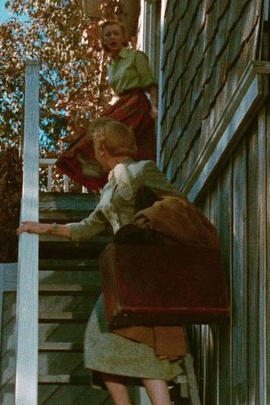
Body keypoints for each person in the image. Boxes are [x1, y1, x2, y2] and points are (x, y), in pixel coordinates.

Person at [18, 117, 182, 405]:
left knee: (146, 343)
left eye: (95, 146)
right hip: (122, 271)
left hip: (147, 267)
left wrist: (146, 223)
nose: (94, 153)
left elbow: (177, 205)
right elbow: (88, 227)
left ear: (104, 148)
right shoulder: (109, 188)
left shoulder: (143, 170)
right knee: (98, 343)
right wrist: (44, 228)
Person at [55, 20, 158, 191]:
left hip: (136, 104)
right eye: (108, 35)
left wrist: (154, 107)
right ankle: (96, 165)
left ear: (123, 37)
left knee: (107, 134)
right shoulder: (111, 65)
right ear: (103, 40)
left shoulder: (135, 56)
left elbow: (150, 83)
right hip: (122, 102)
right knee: (96, 131)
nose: (112, 37)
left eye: (116, 33)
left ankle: (97, 166)